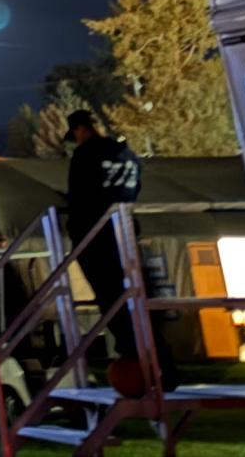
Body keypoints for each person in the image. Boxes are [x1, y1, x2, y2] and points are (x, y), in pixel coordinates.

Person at [65, 108, 147, 366]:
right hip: (127, 231)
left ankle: (133, 358)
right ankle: (159, 360)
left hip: (97, 237)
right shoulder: (128, 156)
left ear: (81, 129)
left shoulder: (85, 155)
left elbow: (79, 196)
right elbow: (134, 190)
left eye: (75, 133)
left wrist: (74, 229)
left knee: (111, 300)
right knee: (140, 296)